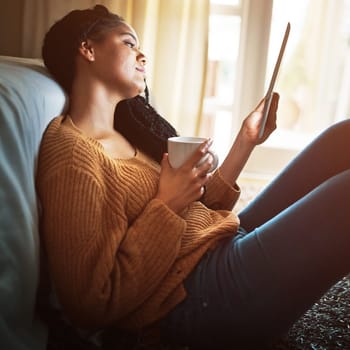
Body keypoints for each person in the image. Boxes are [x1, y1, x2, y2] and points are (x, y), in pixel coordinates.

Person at [36, 4, 350, 349]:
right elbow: (89, 303)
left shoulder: (125, 134)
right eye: (129, 43)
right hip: (197, 297)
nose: (143, 55)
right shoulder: (72, 152)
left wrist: (246, 140)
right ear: (87, 48)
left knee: (341, 139)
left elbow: (197, 214)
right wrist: (167, 204)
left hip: (216, 243)